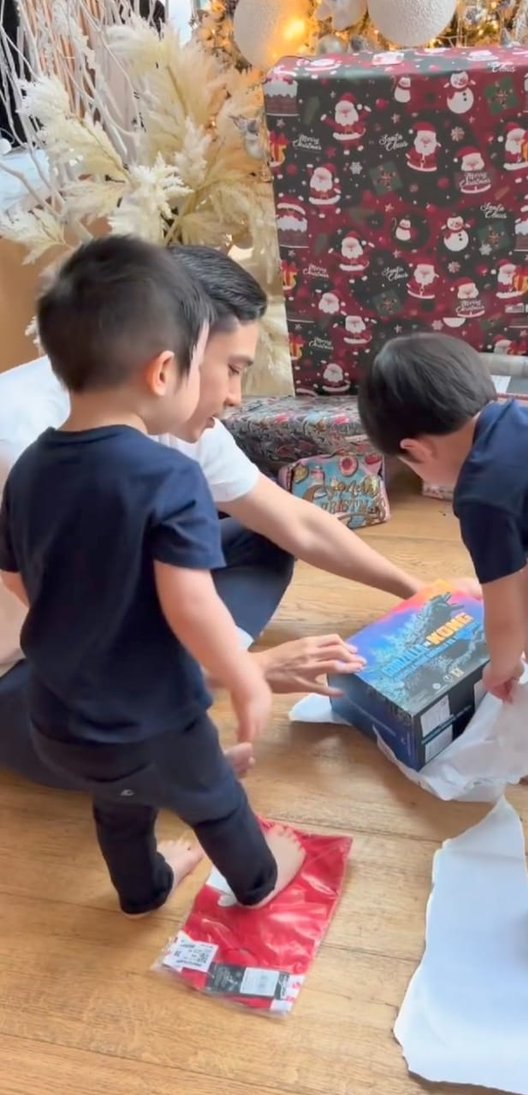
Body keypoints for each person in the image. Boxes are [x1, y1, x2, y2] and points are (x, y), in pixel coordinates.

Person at [0, 244, 477, 790]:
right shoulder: (30, 450)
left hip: (103, 620)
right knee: (150, 764)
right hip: (34, 669)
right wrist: (248, 670)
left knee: (262, 538)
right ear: (172, 350)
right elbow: (94, 645)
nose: (234, 397)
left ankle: (191, 670)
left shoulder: (158, 404)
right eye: (230, 370)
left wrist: (421, 593)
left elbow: (292, 521)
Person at [0, 236, 306, 914]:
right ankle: (258, 880)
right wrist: (246, 671)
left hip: (57, 717)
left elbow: (20, 580)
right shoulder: (169, 476)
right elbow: (191, 603)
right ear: (164, 371)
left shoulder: (27, 470)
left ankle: (142, 892)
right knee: (218, 797)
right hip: (149, 716)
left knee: (118, 804)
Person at [358, 331, 528, 798]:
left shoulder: (484, 495)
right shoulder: (524, 429)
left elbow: (499, 615)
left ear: (417, 451)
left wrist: (501, 668)